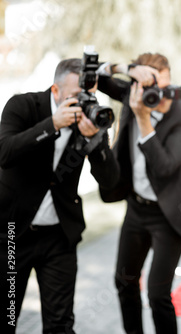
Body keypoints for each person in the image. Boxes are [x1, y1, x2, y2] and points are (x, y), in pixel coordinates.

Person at [0, 58, 118, 333]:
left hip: (59, 236)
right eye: (76, 96)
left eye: (88, 95)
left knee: (60, 325)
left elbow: (110, 184)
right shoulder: (24, 106)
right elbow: (4, 153)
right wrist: (51, 125)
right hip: (12, 234)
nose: (83, 102)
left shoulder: (90, 120)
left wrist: (96, 142)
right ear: (56, 90)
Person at [97, 53, 181, 334]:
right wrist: (128, 69)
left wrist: (144, 119)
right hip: (136, 208)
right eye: (154, 86)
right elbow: (93, 74)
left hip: (169, 213)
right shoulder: (133, 93)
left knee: (157, 294)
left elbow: (165, 167)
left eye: (167, 86)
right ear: (136, 85)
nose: (163, 94)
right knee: (124, 281)